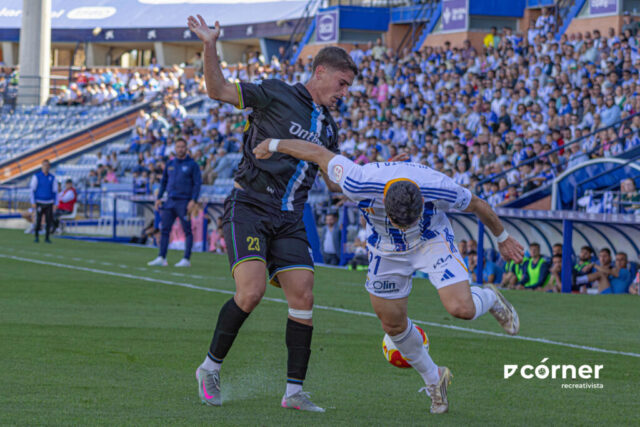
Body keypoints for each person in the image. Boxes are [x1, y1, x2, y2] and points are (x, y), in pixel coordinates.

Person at [253, 137, 524, 414]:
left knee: (462, 309)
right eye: (399, 221)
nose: (404, 226)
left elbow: (477, 204)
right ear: (384, 200)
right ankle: (434, 378)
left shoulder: (440, 186)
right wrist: (273, 144)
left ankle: (490, 298)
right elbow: (317, 152)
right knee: (392, 325)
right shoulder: (358, 180)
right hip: (386, 248)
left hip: (431, 240)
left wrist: (502, 238)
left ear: (421, 200)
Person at [188, 14, 357, 412]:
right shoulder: (276, 92)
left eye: (348, 86)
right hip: (249, 205)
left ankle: (294, 392)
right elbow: (217, 90)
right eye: (341, 83)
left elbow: (335, 183)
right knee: (251, 292)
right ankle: (209, 368)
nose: (344, 92)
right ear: (320, 72)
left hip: (290, 218)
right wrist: (210, 44)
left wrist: (382, 176)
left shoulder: (329, 128)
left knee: (304, 295)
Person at [148, 137, 202, 267]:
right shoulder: (170, 164)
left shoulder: (192, 165)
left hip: (184, 202)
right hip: (170, 201)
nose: (180, 149)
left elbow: (197, 184)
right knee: (165, 229)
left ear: (186, 148)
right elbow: (163, 182)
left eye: (182, 147)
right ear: (175, 148)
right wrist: (159, 198)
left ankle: (186, 259)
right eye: (178, 147)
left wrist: (193, 200)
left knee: (187, 230)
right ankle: (161, 257)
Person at [29, 159, 57, 243]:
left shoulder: (52, 178)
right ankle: (36, 236)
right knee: (38, 220)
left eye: (47, 165)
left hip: (49, 202)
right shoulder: (37, 176)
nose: (46, 167)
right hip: (39, 202)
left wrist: (55, 203)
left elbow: (55, 191)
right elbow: (32, 190)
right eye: (44, 165)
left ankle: (47, 238)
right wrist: (33, 202)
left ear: (49, 166)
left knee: (48, 220)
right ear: (42, 166)